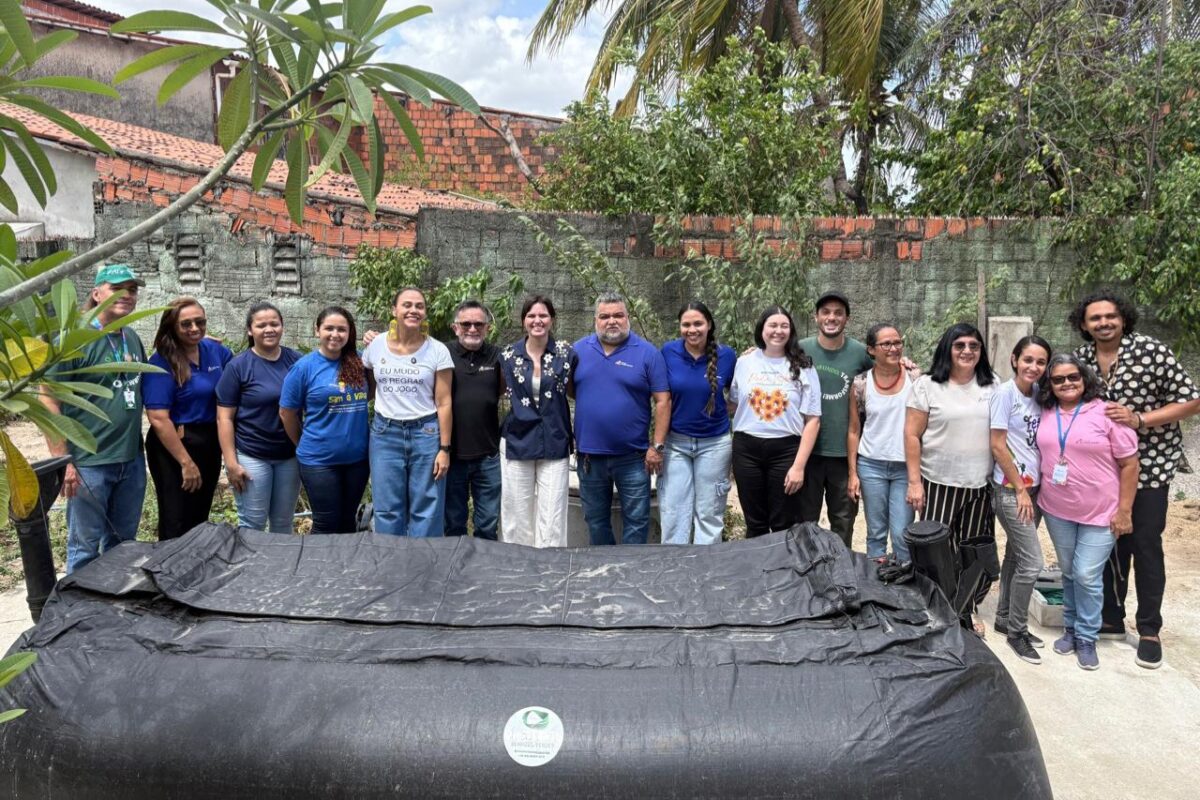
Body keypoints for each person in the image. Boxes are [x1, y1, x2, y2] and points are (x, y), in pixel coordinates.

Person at [1071, 290, 1200, 669]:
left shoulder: (1152, 352)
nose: (1104, 323)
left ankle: (1148, 629)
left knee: (1144, 543)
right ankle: (1111, 617)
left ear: (1123, 319)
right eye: (1095, 319)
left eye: (1110, 316)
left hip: (1150, 465)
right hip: (1101, 472)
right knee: (1108, 542)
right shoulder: (1081, 360)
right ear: (1084, 325)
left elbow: (1191, 400)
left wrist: (1141, 419)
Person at [39, 264, 148, 572]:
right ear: (97, 294)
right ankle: (81, 614)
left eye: (133, 289)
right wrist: (63, 460)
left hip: (130, 460)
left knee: (124, 544)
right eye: (117, 289)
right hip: (89, 463)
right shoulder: (73, 340)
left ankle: (112, 608)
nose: (127, 295)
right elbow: (47, 397)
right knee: (84, 549)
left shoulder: (132, 338)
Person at [1037, 354, 1139, 671]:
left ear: (1084, 379)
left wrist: (1124, 511)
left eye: (1073, 377)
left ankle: (1086, 636)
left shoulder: (1106, 412)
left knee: (1086, 574)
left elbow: (1130, 463)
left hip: (1101, 511)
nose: (1067, 383)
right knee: (1068, 571)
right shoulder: (1045, 412)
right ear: (1049, 385)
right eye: (1058, 379)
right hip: (1057, 508)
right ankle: (1070, 628)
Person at [904, 322, 996, 636]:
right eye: (960, 345)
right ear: (948, 348)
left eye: (974, 345)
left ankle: (966, 609)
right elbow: (912, 435)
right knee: (935, 551)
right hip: (938, 481)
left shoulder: (993, 384)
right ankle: (932, 607)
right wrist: (915, 482)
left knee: (970, 552)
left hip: (979, 485)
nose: (967, 351)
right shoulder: (929, 385)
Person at [572, 291, 670, 545]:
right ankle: (605, 572)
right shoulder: (578, 351)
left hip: (634, 458)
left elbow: (663, 401)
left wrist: (657, 447)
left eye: (618, 315)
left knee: (636, 522)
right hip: (589, 458)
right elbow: (570, 391)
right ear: (595, 320)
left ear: (628, 318)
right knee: (595, 520)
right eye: (605, 316)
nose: (612, 321)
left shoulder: (647, 353)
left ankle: (630, 573)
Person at [362, 287, 453, 536]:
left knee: (427, 507)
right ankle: (392, 567)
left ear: (425, 313)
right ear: (394, 310)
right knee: (387, 508)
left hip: (425, 433)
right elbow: (369, 386)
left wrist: (444, 449)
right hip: (385, 433)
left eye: (419, 306)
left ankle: (423, 568)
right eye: (407, 305)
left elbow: (444, 402)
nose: (413, 310)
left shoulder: (437, 350)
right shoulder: (376, 346)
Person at [142, 297, 232, 540]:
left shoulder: (215, 351)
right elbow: (158, 418)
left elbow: (238, 375)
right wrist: (185, 463)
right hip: (175, 445)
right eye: (186, 324)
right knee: (175, 516)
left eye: (199, 322)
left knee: (199, 513)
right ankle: (169, 572)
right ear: (172, 326)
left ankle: (194, 569)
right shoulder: (161, 362)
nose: (194, 328)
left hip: (209, 441)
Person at [729, 306, 822, 537]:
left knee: (784, 523)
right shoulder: (744, 362)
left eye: (784, 326)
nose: (778, 331)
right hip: (746, 449)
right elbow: (733, 403)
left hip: (786, 450)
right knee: (755, 522)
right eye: (772, 325)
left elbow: (813, 420)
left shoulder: (804, 366)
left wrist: (799, 466)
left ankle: (784, 571)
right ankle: (757, 572)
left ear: (791, 331)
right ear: (762, 329)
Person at [989, 335, 1052, 664]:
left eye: (1040, 362)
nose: (1034, 366)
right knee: (1032, 562)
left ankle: (1003, 617)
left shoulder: (1040, 395)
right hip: (1013, 491)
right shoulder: (1005, 394)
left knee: (1015, 557)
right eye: (1028, 359)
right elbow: (997, 444)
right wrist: (1022, 488)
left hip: (1036, 489)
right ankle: (1017, 631)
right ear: (1014, 360)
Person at [279, 306, 370, 534]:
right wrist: (303, 443)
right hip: (319, 461)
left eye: (342, 329)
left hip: (357, 460)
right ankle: (316, 569)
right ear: (317, 330)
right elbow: (287, 413)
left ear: (350, 333)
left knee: (349, 521)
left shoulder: (360, 362)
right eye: (329, 328)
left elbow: (372, 392)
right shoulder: (304, 368)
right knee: (326, 524)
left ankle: (345, 569)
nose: (335, 334)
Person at [216, 301, 302, 533]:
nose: (269, 329)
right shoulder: (238, 367)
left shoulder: (297, 361)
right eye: (261, 325)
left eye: (274, 323)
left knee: (283, 523)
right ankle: (249, 570)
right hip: (252, 456)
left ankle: (279, 570)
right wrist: (231, 464)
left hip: (289, 456)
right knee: (252, 524)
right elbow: (224, 419)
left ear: (282, 327)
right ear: (250, 330)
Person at [499, 295, 577, 547]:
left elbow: (575, 389)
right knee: (516, 513)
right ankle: (519, 567)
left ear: (552, 320)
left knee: (552, 515)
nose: (537, 321)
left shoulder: (566, 354)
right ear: (523, 321)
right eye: (531, 316)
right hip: (518, 439)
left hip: (554, 439)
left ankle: (551, 571)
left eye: (543, 315)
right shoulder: (508, 355)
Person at [798, 291, 874, 547]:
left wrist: (905, 362)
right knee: (805, 522)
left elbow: (886, 367)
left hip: (844, 454)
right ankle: (806, 577)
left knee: (843, 522)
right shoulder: (800, 349)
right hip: (808, 452)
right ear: (816, 317)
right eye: (826, 312)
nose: (832, 317)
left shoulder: (860, 353)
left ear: (847, 319)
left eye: (838, 313)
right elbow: (772, 362)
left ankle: (842, 576)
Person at [659, 301, 736, 545]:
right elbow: (662, 397)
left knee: (709, 514)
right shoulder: (668, 352)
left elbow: (736, 397)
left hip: (715, 444)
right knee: (673, 513)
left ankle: (706, 573)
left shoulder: (727, 355)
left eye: (698, 323)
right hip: (676, 444)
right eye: (686, 324)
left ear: (709, 325)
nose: (692, 329)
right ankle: (674, 570)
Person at [847, 323, 913, 562]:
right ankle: (877, 586)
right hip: (871, 465)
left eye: (897, 342)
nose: (893, 348)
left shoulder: (916, 378)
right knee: (876, 532)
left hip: (905, 466)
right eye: (886, 344)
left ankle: (903, 585)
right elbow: (854, 430)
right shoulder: (860, 384)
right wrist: (853, 473)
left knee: (902, 533)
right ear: (871, 350)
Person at [444, 300, 503, 540]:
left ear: (487, 327)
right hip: (452, 456)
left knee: (488, 524)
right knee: (454, 524)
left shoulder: (498, 356)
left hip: (488, 456)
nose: (472, 328)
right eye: (466, 323)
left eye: (478, 324)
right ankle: (455, 573)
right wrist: (377, 338)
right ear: (455, 327)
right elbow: (405, 348)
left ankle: (483, 571)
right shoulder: (441, 353)